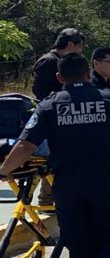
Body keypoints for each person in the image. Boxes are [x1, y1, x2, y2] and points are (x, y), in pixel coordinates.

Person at [0, 53, 110, 258]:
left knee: (78, 241)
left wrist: (4, 171)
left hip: (68, 185)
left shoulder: (49, 106)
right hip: (105, 182)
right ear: (88, 74)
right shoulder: (108, 99)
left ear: (59, 78)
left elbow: (25, 146)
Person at [31, 28, 85, 207]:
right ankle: (41, 199)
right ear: (70, 44)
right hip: (48, 118)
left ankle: (47, 200)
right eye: (80, 46)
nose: (80, 51)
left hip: (61, 118)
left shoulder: (61, 61)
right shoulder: (49, 61)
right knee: (47, 161)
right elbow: (39, 92)